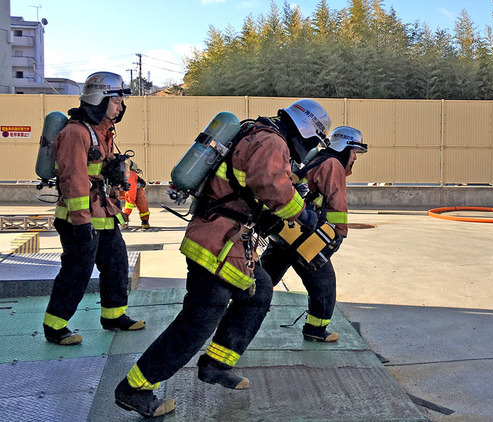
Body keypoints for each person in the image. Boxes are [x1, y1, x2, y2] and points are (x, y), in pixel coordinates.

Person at [114, 99, 331, 418]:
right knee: (199, 319)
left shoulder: (253, 132)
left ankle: (217, 363)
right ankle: (134, 388)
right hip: (216, 243)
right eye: (313, 141)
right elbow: (272, 186)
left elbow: (245, 190)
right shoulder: (272, 141)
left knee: (259, 292)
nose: (309, 149)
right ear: (306, 131)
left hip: (227, 242)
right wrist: (303, 214)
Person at [42, 72, 146, 346]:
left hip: (104, 213)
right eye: (117, 100)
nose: (121, 106)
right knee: (77, 271)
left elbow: (101, 173)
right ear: (100, 99)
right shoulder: (76, 133)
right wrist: (81, 222)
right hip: (79, 219)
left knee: (116, 265)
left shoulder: (102, 132)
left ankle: (113, 316)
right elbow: (73, 179)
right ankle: (55, 326)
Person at [261, 126, 368, 342]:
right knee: (324, 284)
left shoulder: (318, 159)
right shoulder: (333, 164)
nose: (355, 157)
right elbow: (336, 202)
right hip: (304, 237)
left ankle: (232, 311)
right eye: (354, 151)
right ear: (344, 147)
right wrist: (338, 234)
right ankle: (315, 330)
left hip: (285, 231)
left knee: (264, 278)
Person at [120, 161, 151, 229]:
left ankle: (145, 220)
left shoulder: (131, 175)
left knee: (140, 195)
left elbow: (131, 195)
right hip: (119, 191)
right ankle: (121, 219)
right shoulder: (129, 174)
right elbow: (130, 196)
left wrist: (126, 214)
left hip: (124, 191)